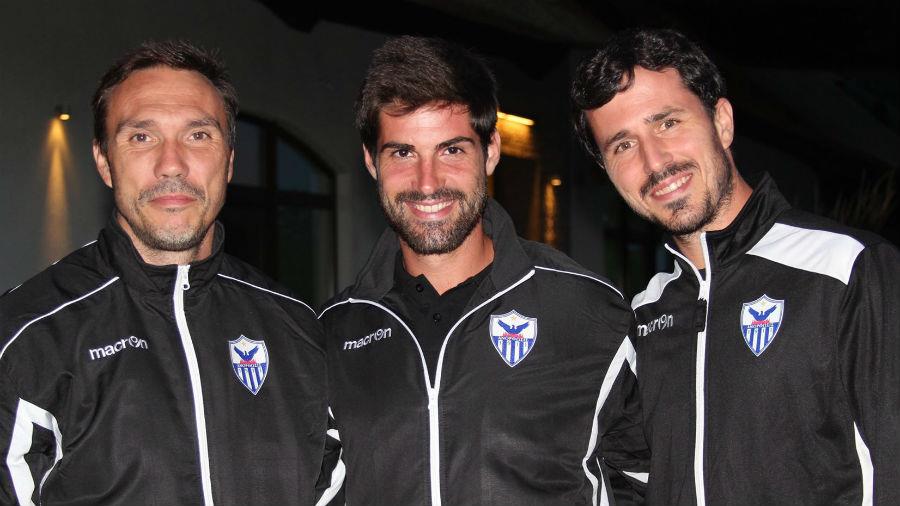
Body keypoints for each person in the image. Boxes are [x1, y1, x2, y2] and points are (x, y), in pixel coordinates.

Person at [571, 28, 900, 506]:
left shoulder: (848, 270)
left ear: (721, 122)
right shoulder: (642, 318)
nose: (654, 161)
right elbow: (632, 477)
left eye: (668, 123)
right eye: (622, 145)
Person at [316, 35, 649, 506]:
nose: (427, 183)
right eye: (403, 153)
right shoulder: (330, 334)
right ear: (372, 161)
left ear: (490, 150)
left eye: (451, 150)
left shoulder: (589, 313)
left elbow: (645, 479)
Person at [0, 41, 327, 505]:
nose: (171, 164)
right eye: (141, 137)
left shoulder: (298, 327)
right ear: (103, 162)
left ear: (229, 161)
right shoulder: (26, 337)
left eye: (198, 135)